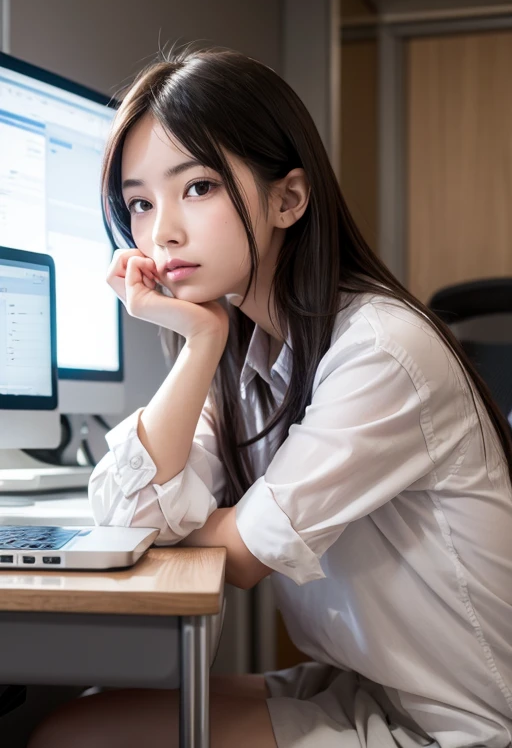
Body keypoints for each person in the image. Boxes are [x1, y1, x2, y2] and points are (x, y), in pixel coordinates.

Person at [28, 46, 512, 748]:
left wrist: (197, 517)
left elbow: (245, 557)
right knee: (71, 726)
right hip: (368, 686)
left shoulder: (379, 349)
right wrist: (199, 345)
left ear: (288, 198)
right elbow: (126, 511)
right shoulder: (247, 354)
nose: (160, 231)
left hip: (462, 722)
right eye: (139, 203)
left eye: (196, 187)